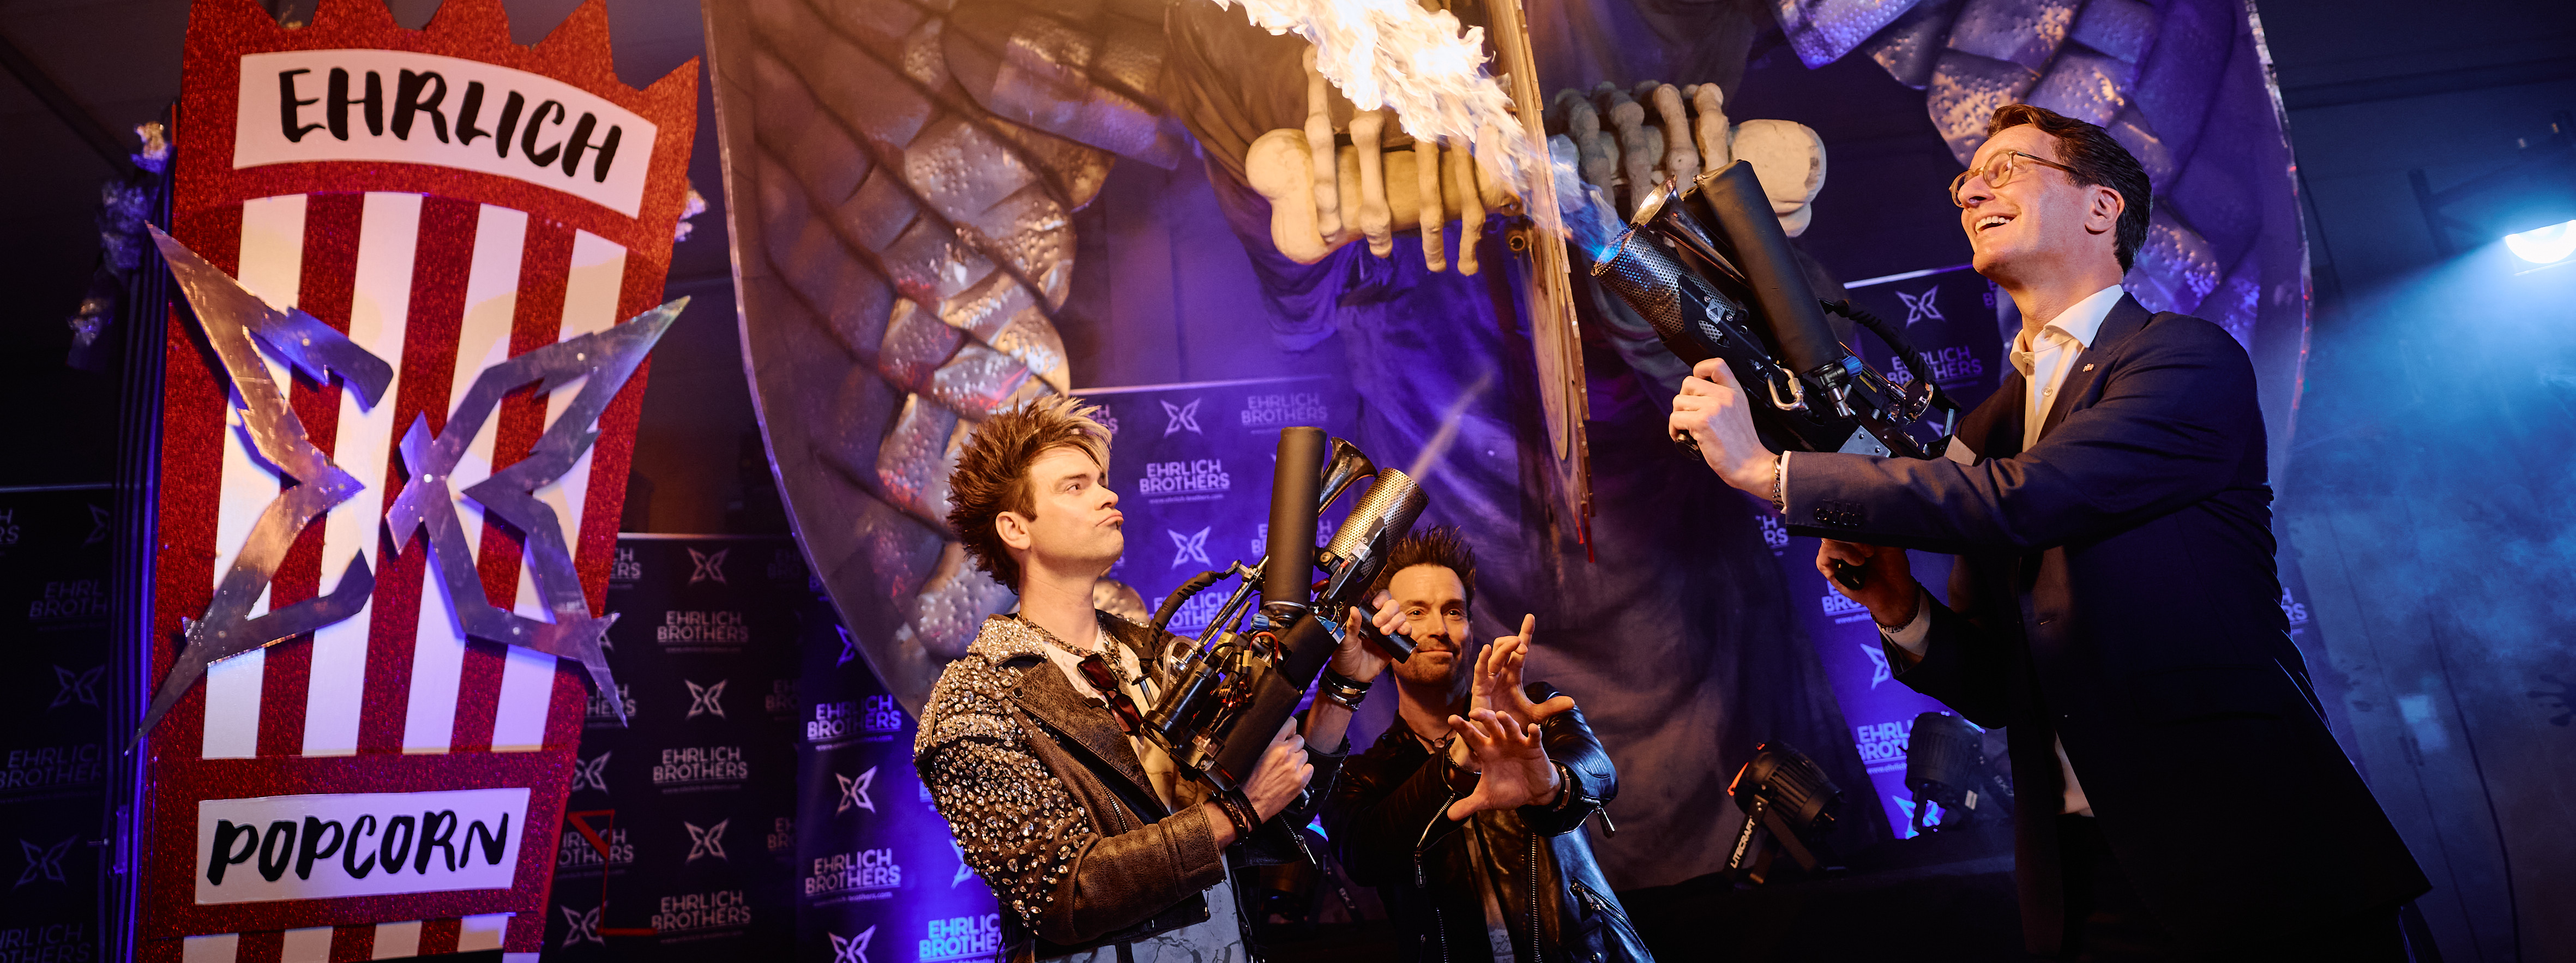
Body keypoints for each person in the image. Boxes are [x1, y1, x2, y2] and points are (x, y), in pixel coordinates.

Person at [1667, 101, 2427, 960]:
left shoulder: (2180, 358)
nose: (1971, 193)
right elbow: (1999, 686)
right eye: (1967, 181)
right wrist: (1899, 605)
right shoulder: (1993, 423)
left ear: (2102, 207)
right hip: (2087, 885)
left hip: (2257, 855)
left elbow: (2028, 498)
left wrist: (1771, 474)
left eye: (2006, 169)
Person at [913, 392, 1313, 963]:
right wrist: (1235, 815)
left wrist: (1343, 690)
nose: (1108, 495)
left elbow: (1285, 805)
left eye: (1101, 481)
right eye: (1075, 486)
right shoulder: (977, 697)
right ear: (1015, 528)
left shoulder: (1160, 657)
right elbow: (1064, 893)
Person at [1315, 525, 1651, 963]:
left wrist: (1553, 786)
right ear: (1383, 630)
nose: (1439, 628)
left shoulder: (1530, 710)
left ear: (1471, 629)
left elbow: (1599, 773)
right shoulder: (1366, 775)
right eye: (1416, 612)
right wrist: (1461, 755)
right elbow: (1364, 856)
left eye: (1454, 612)